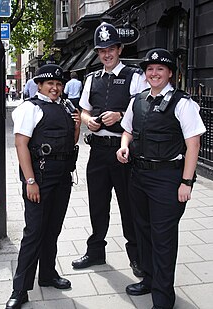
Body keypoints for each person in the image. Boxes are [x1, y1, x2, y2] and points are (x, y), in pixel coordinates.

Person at [116, 48, 206, 309]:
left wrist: (186, 182)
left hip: (168, 179)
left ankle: (163, 299)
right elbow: (128, 131)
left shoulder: (183, 103)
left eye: (160, 69)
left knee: (163, 238)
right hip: (139, 176)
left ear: (170, 74)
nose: (154, 73)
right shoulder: (138, 100)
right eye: (150, 69)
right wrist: (123, 146)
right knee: (142, 232)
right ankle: (149, 278)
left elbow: (193, 145)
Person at [71, 22, 148, 277]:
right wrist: (87, 121)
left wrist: (121, 114)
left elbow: (143, 111)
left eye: (111, 49)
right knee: (97, 204)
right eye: (102, 50)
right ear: (97, 52)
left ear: (119, 48)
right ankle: (96, 251)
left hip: (124, 152)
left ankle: (136, 256)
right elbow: (82, 110)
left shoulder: (134, 76)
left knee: (129, 205)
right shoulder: (91, 78)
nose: (107, 54)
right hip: (98, 152)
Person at [5, 64, 81, 309]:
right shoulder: (30, 108)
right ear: (39, 85)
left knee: (52, 230)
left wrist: (77, 124)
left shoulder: (64, 107)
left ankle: (47, 274)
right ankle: (20, 289)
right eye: (50, 84)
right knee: (34, 232)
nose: (55, 88)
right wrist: (30, 181)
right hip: (40, 177)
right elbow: (21, 146)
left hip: (62, 177)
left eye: (59, 84)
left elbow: (71, 141)